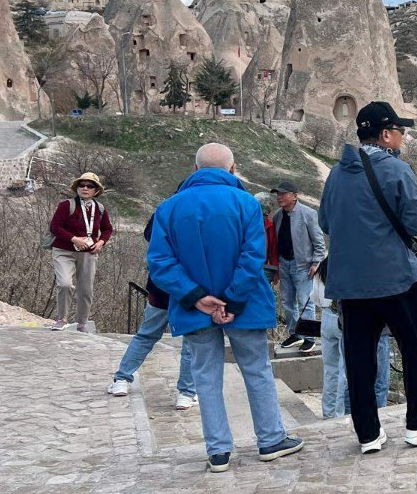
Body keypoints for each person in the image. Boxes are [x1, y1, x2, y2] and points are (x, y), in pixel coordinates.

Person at [148, 143, 303, 472]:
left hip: (194, 309)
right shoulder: (246, 204)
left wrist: (196, 296)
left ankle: (218, 451)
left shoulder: (168, 208)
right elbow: (253, 258)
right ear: (233, 169)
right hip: (243, 305)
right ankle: (271, 439)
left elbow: (160, 263)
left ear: (195, 170)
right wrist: (231, 299)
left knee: (205, 377)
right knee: (257, 370)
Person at [319, 102, 417, 454]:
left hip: (350, 284)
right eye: (400, 131)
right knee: (413, 349)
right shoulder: (396, 169)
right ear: (386, 134)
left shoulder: (336, 173)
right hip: (395, 279)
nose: (403, 138)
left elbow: (326, 224)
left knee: (359, 359)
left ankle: (368, 434)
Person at [107, 211, 197, 410]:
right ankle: (186, 393)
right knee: (191, 342)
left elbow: (149, 236)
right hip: (192, 288)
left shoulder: (164, 211)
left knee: (146, 335)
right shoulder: (201, 211)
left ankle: (121, 379)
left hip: (161, 286)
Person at [312, 259, 392, 419]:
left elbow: (315, 297)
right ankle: (345, 416)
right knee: (347, 374)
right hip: (345, 317)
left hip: (327, 316)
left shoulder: (324, 264)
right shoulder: (363, 264)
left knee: (331, 371)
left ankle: (329, 415)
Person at [47, 172, 113, 331]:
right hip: (64, 250)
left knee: (86, 288)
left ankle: (82, 323)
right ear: (77, 188)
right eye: (81, 185)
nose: (85, 188)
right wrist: (74, 239)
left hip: (88, 252)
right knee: (65, 284)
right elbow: (55, 227)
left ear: (96, 190)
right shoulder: (66, 205)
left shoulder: (100, 208)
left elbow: (107, 229)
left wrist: (101, 242)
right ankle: (61, 318)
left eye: (89, 186)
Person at [272, 180, 326, 353]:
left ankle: (309, 338)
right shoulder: (278, 216)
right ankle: (295, 334)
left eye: (283, 194)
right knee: (287, 301)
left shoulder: (308, 213)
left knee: (305, 302)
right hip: (284, 264)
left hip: (303, 265)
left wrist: (316, 262)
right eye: (278, 194)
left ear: (294, 196)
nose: (279, 197)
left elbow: (318, 241)